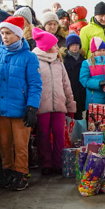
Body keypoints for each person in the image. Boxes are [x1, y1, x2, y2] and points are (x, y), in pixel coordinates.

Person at [0, 15, 42, 191]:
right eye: (2, 33)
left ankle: (21, 173)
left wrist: (32, 107)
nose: (5, 36)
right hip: (0, 109)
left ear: (18, 35)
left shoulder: (29, 57)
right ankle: (7, 171)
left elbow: (35, 84)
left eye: (8, 33)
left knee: (20, 144)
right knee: (4, 143)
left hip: (20, 109)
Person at [32, 27, 76, 176]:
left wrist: (70, 103)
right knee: (43, 135)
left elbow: (66, 84)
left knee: (59, 135)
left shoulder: (58, 62)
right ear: (46, 47)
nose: (58, 47)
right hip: (41, 106)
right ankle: (46, 163)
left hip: (59, 105)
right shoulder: (34, 61)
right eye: (55, 45)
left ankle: (58, 163)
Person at [79, 37, 105, 107]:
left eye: (103, 50)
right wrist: (98, 83)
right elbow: (84, 80)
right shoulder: (87, 63)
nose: (102, 52)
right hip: (94, 100)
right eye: (99, 50)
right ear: (93, 51)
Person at [63, 34, 87, 119]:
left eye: (77, 45)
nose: (75, 47)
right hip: (69, 90)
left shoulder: (83, 60)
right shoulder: (64, 59)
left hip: (80, 91)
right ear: (68, 46)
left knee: (79, 114)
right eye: (72, 45)